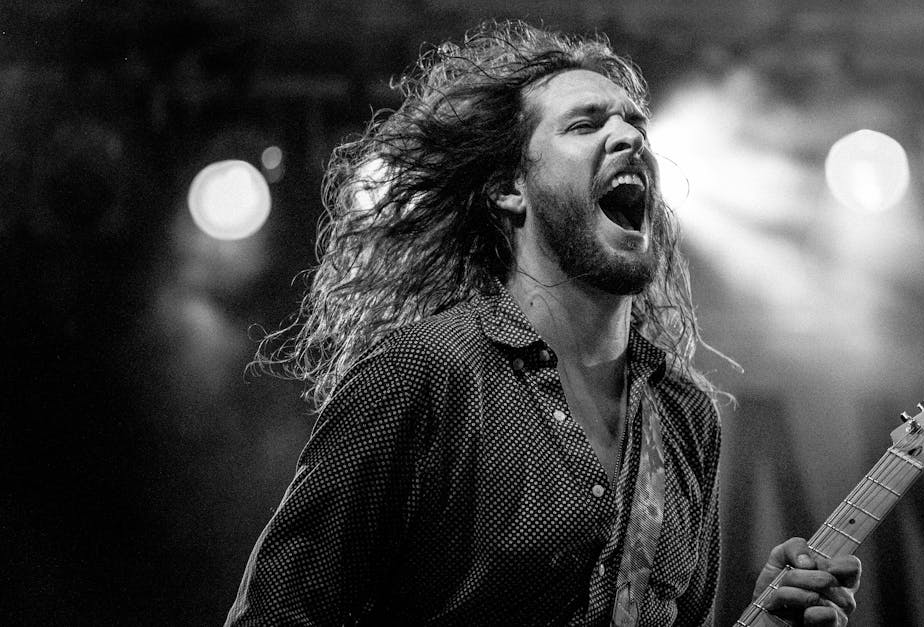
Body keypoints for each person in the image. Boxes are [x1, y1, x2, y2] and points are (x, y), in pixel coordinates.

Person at [227, 20, 860, 626]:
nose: (629, 138)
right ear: (510, 188)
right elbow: (276, 612)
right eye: (585, 124)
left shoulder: (685, 416)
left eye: (635, 123)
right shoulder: (426, 373)